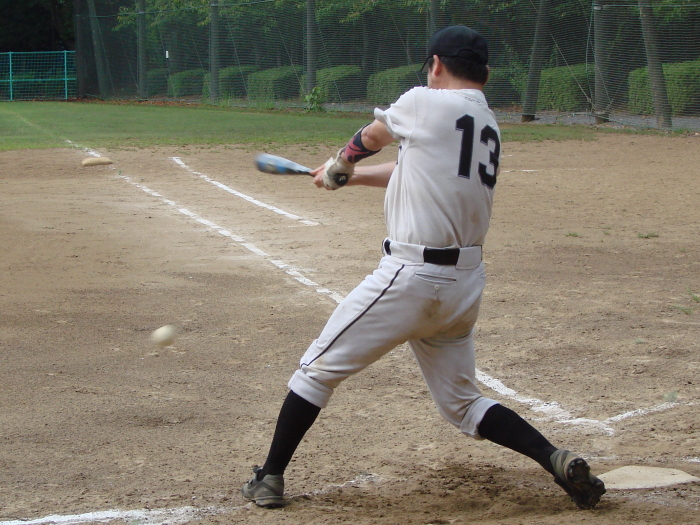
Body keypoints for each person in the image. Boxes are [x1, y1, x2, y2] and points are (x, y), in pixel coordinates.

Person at [241, 25, 606, 510]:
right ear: (485, 73)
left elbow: (372, 137)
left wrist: (340, 161)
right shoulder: (486, 121)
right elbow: (408, 168)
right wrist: (346, 178)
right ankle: (554, 458)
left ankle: (269, 478)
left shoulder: (423, 101)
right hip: (463, 287)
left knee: (315, 372)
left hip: (411, 278)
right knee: (463, 404)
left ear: (435, 65)